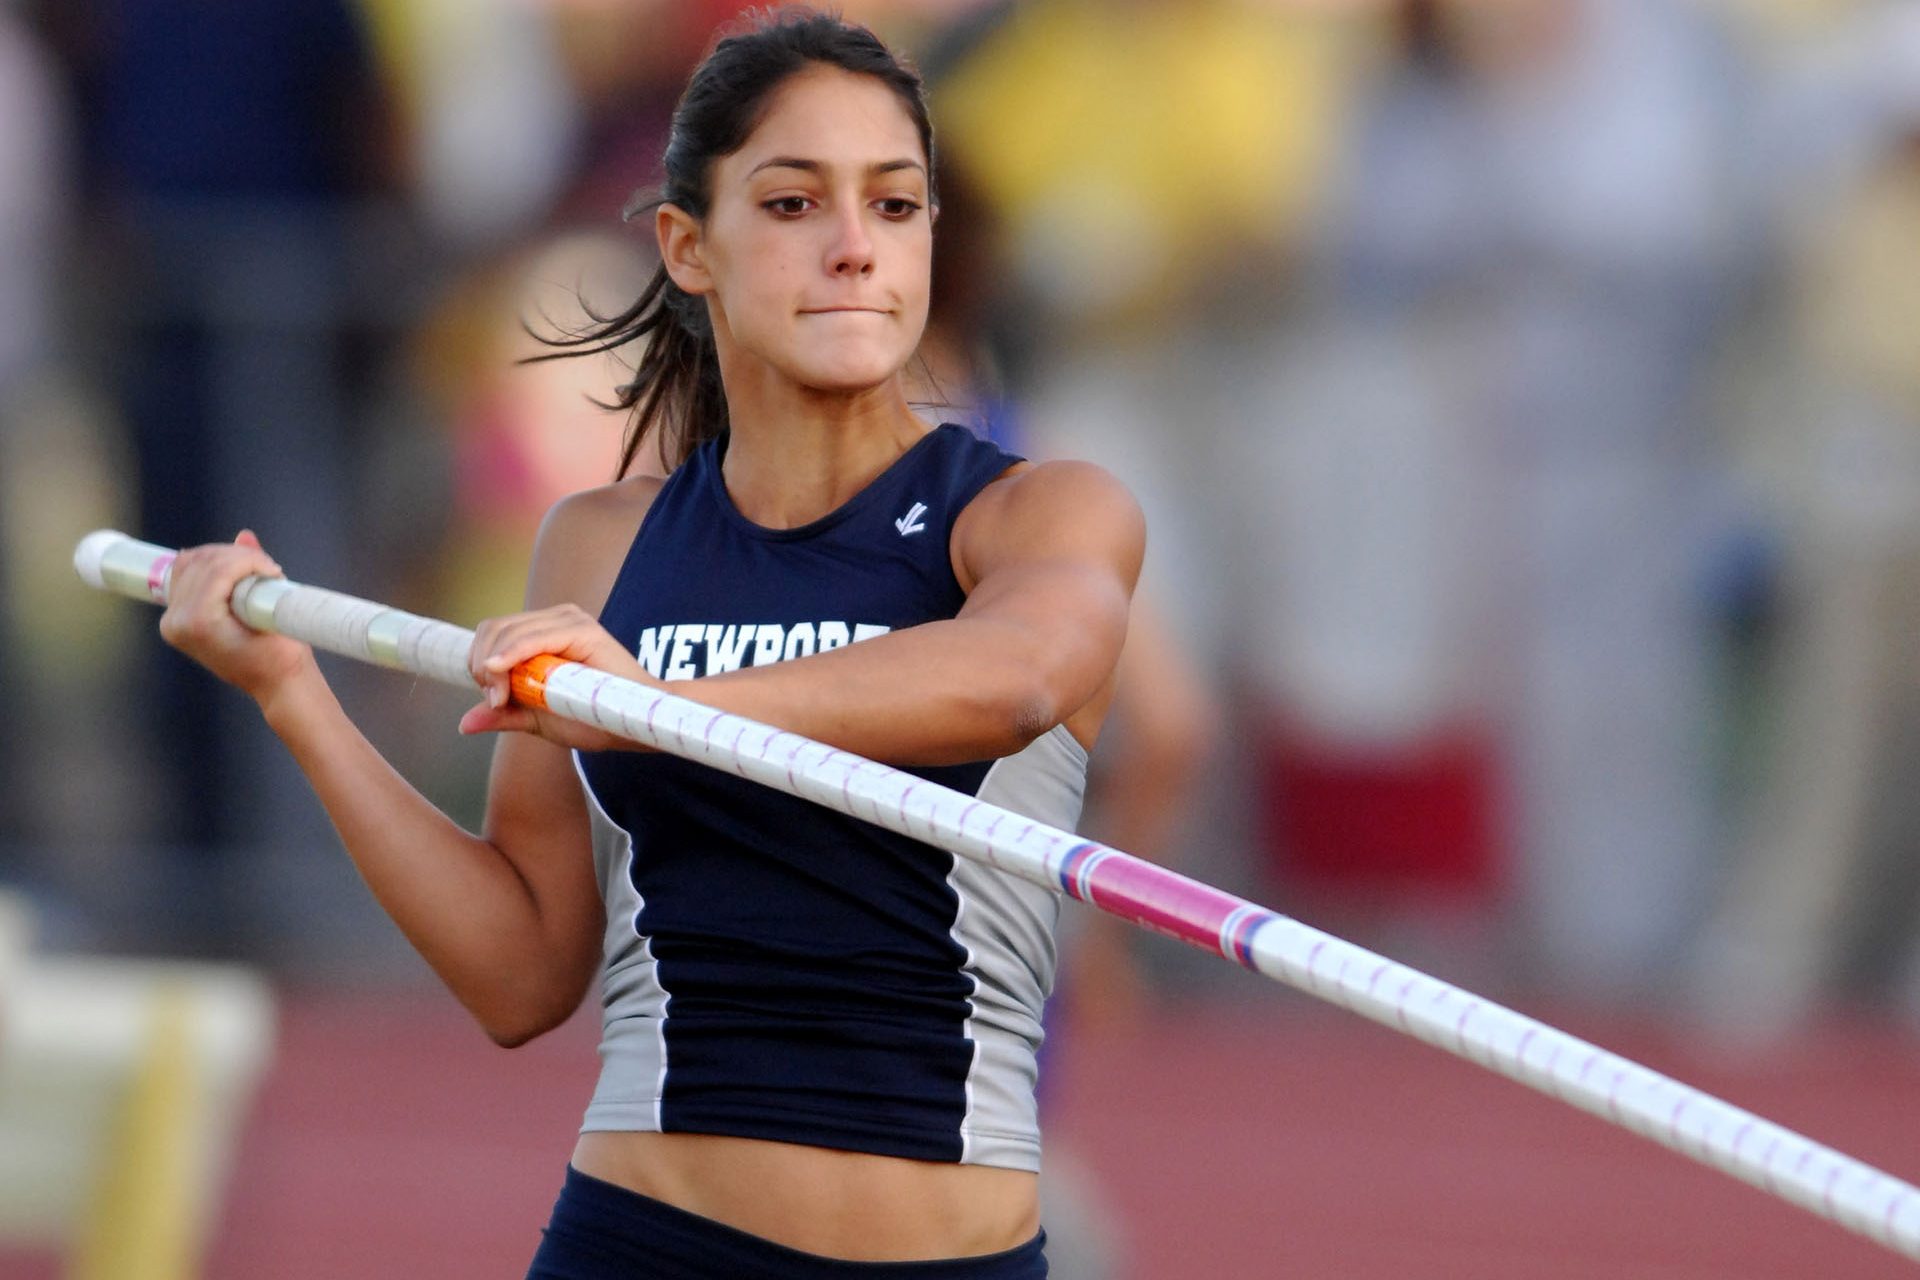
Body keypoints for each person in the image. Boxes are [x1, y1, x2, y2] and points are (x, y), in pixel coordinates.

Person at [154, 11, 1143, 1278]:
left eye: (895, 208)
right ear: (689, 246)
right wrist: (292, 695)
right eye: (793, 204)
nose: (853, 249)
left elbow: (1020, 680)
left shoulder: (1034, 512)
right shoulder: (600, 547)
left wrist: (661, 702)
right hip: (641, 1239)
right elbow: (520, 973)